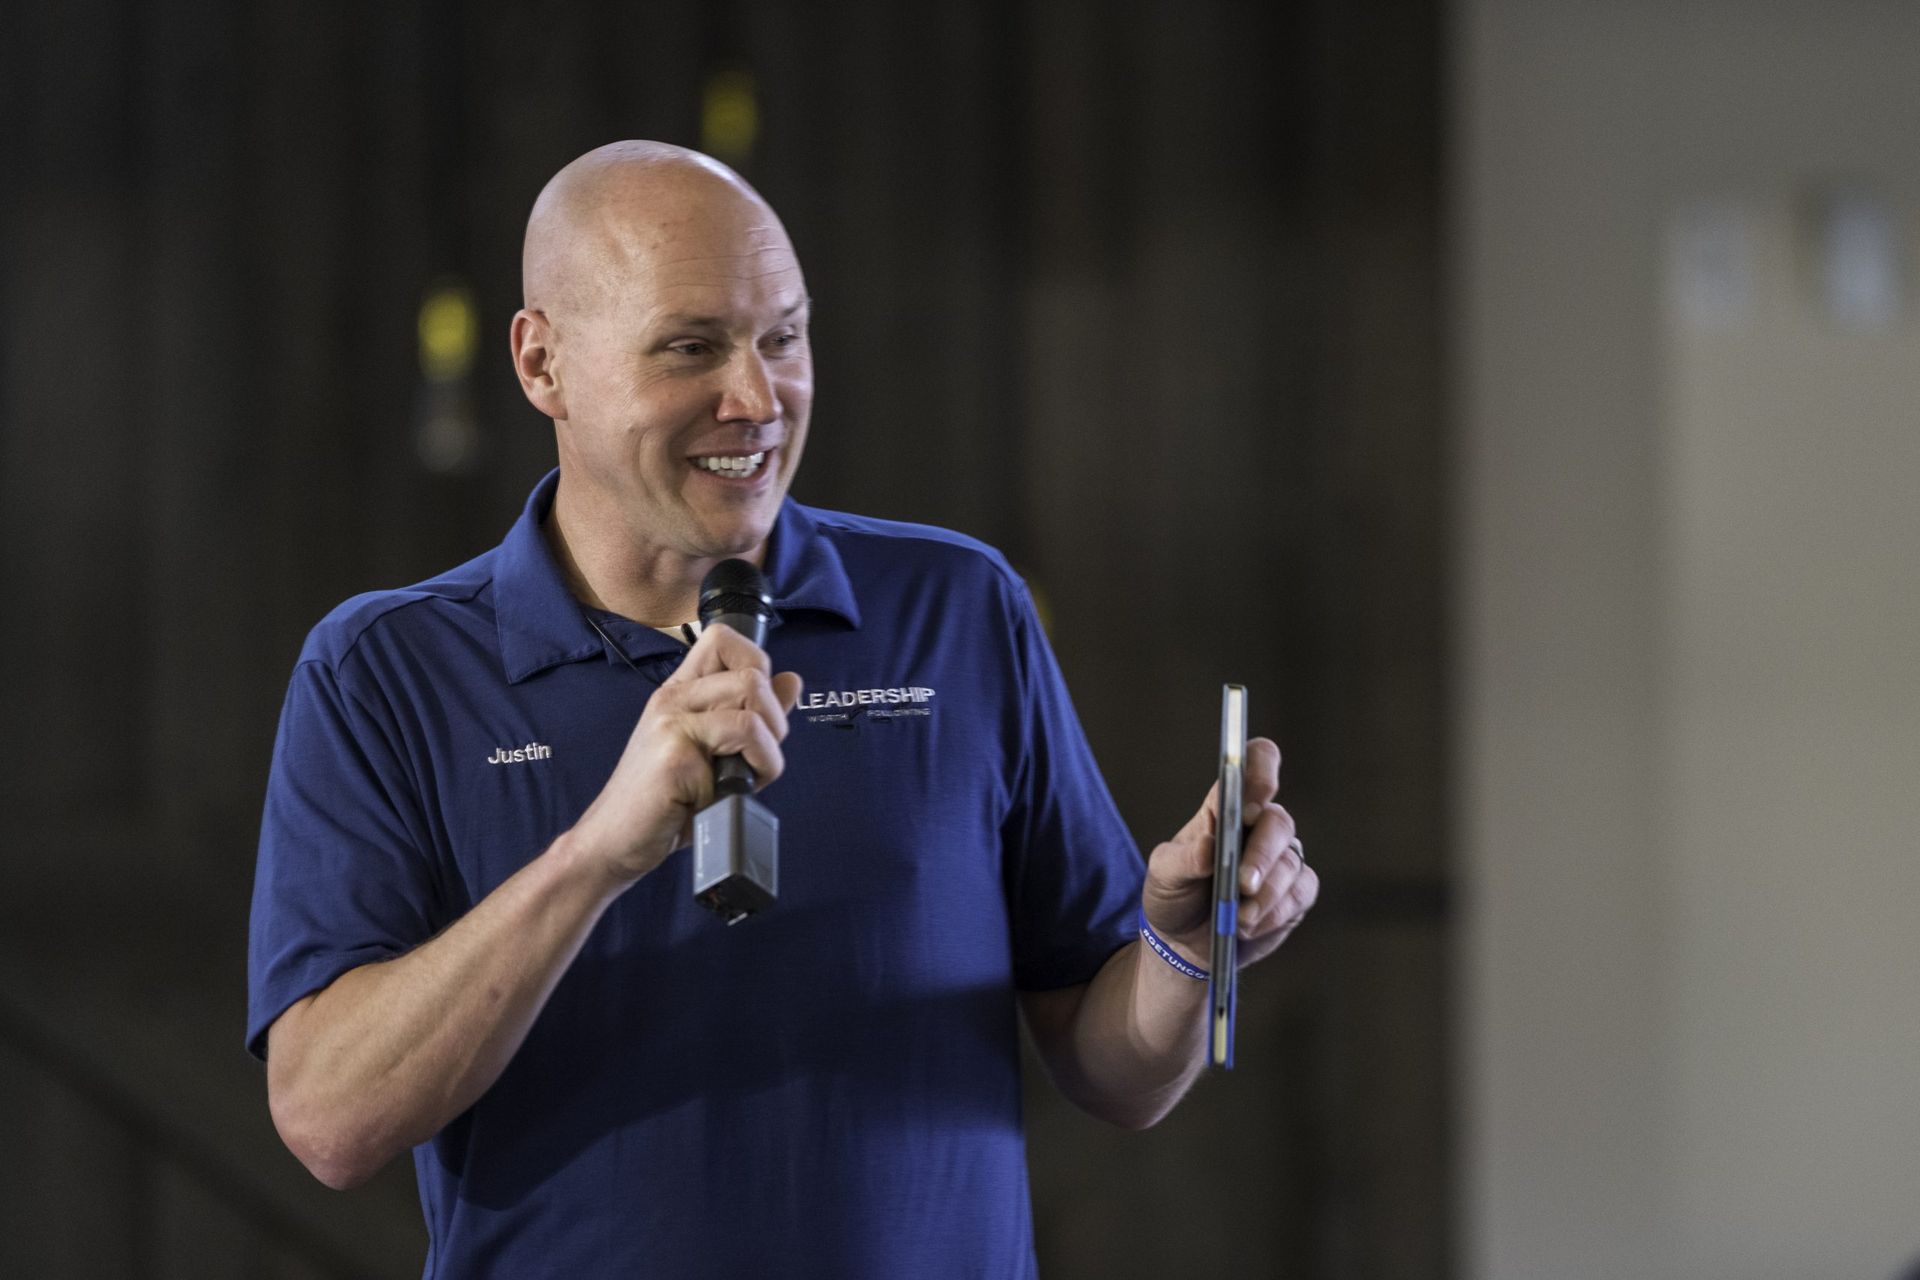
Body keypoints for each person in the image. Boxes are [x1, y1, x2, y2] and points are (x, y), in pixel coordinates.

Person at [247, 140, 1317, 1278]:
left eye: (785, 337)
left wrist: (1186, 944)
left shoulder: (958, 606)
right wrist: (599, 852)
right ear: (542, 362)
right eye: (692, 346)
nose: (757, 398)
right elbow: (330, 1120)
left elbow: (1114, 1070)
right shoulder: (386, 669)